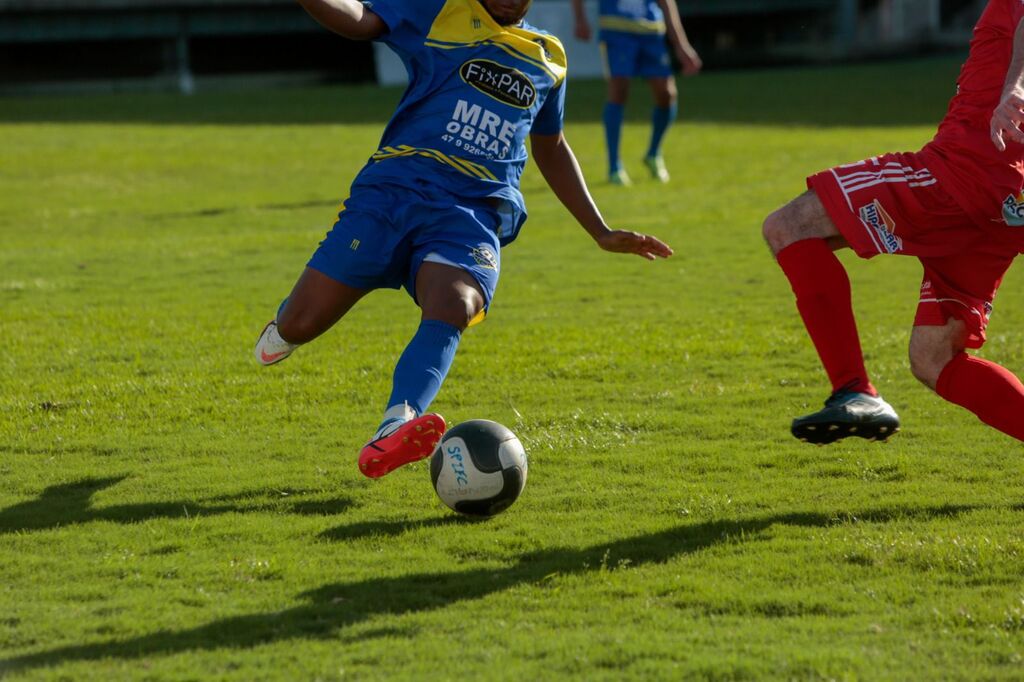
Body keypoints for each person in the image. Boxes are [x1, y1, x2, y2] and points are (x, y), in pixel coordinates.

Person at [255, 0, 674, 477]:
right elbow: (360, 21)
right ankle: (285, 327)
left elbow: (551, 145)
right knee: (303, 322)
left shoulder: (549, 56)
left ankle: (395, 424)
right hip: (395, 192)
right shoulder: (440, 10)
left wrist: (599, 230)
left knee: (456, 303)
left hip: (473, 211)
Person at [763, 0, 1024, 445]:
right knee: (934, 356)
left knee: (791, 225)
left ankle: (855, 390)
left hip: (963, 170)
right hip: (1007, 200)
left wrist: (1016, 88)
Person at [570, 0, 701, 185]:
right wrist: (580, 19)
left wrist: (681, 45)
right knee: (619, 90)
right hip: (617, 30)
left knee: (667, 94)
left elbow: (666, 2)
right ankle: (614, 166)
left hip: (651, 31)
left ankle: (654, 153)